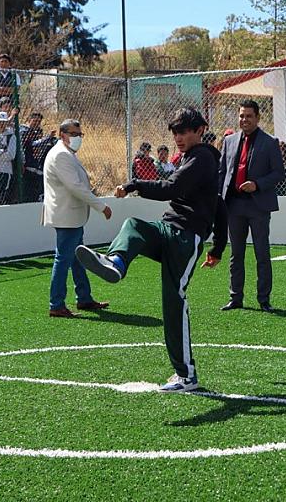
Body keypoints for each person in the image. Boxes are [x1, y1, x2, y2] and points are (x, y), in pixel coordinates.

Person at [76, 107, 220, 392]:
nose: (178, 137)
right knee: (134, 226)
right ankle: (116, 263)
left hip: (185, 237)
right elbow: (216, 203)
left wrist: (133, 184)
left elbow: (171, 188)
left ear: (200, 130)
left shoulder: (203, 157)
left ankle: (187, 376)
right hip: (169, 230)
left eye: (184, 131)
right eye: (175, 132)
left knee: (173, 301)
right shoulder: (190, 158)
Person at [218, 100, 285, 313]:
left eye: (248, 116)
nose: (244, 120)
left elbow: (278, 173)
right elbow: (222, 173)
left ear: (257, 118)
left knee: (261, 254)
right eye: (241, 116)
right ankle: (235, 297)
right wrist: (218, 199)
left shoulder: (270, 142)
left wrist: (256, 185)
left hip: (258, 206)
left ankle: (264, 300)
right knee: (236, 254)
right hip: (234, 206)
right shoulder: (229, 141)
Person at [42, 118, 112, 318]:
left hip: (70, 215)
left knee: (76, 258)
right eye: (73, 134)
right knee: (64, 259)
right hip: (67, 215)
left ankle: (84, 297)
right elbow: (75, 187)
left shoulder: (65, 153)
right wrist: (100, 206)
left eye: (79, 135)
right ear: (62, 135)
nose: (78, 138)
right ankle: (56, 304)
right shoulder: (61, 155)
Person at [21, 112, 57, 203]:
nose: (37, 123)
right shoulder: (24, 131)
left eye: (39, 121)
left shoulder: (37, 131)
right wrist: (47, 137)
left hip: (36, 164)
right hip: (27, 165)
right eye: (34, 121)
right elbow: (33, 145)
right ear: (29, 120)